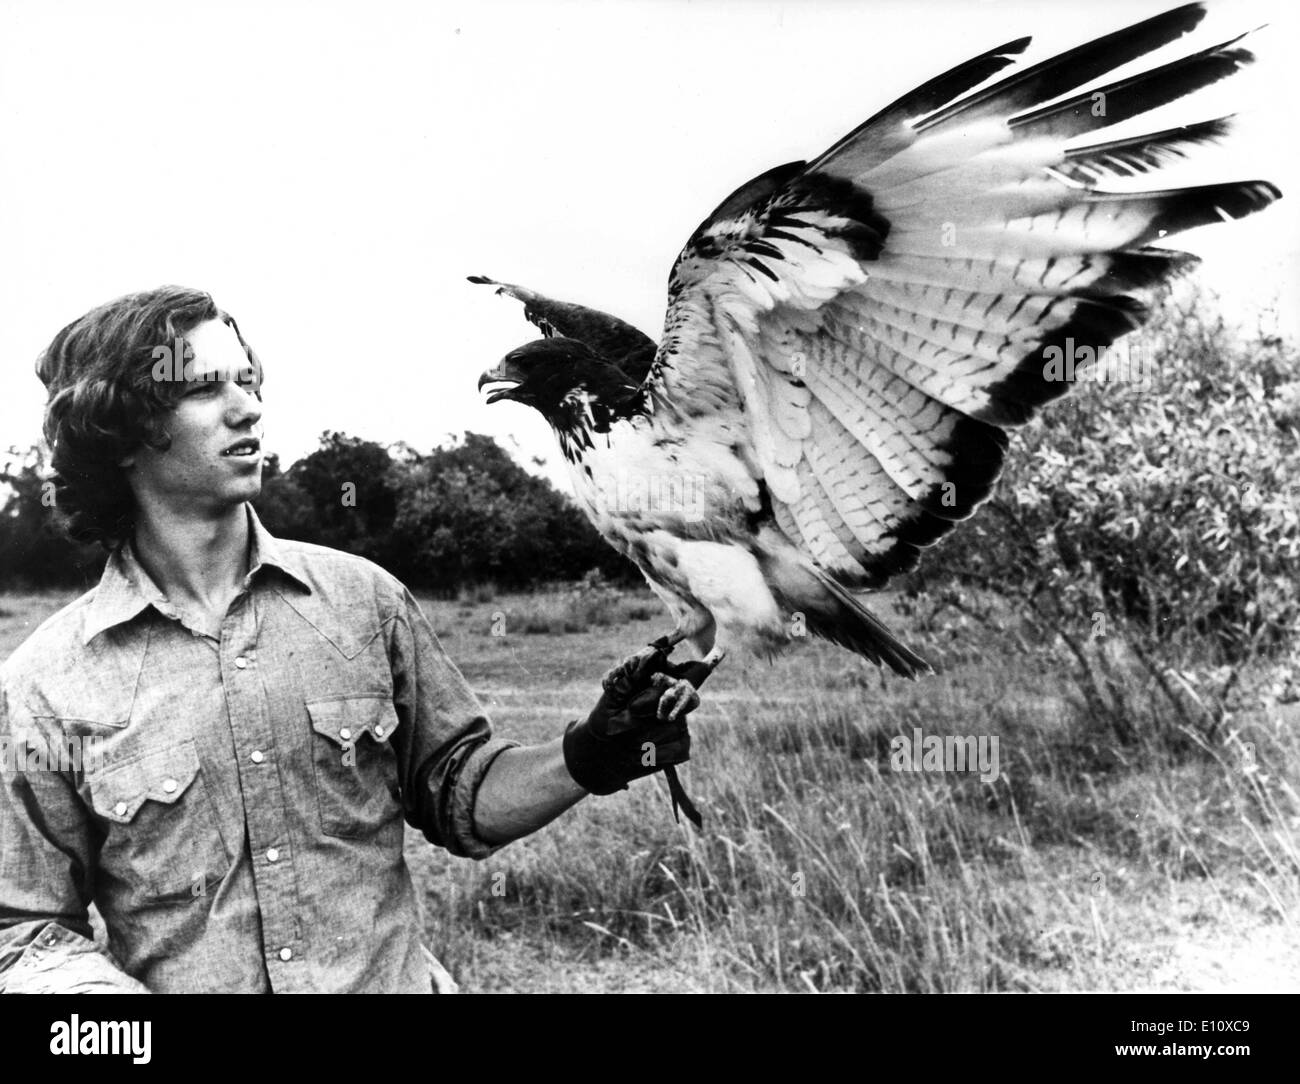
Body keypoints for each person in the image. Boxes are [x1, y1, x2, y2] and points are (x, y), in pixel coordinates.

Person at [0, 285, 700, 993]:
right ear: (117, 429)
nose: (248, 407)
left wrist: (589, 754)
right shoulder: (45, 686)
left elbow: (459, 789)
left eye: (247, 379)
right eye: (206, 388)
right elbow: (23, 935)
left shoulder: (364, 602)